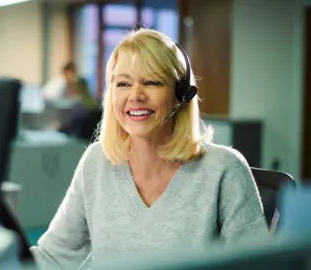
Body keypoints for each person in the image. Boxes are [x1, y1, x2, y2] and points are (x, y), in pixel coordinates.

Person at [30, 28, 270, 269]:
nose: (135, 95)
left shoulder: (223, 169)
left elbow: (261, 265)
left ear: (181, 95)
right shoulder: (97, 161)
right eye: (123, 83)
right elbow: (53, 257)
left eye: (152, 82)